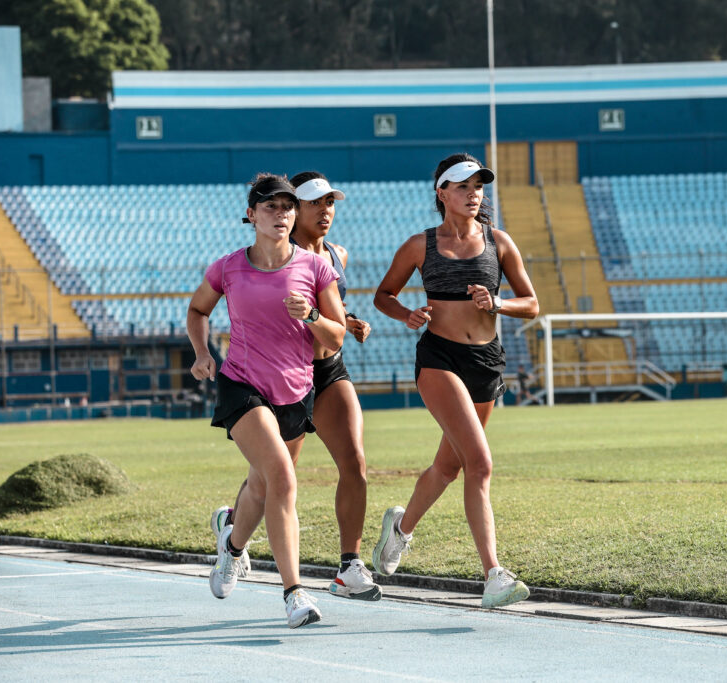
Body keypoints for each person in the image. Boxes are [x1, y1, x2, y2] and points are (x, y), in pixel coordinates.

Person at [371, 152, 539, 608]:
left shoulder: (499, 243)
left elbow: (532, 303)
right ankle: (494, 575)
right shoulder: (418, 245)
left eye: (478, 187)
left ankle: (399, 531)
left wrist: (498, 305)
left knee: (448, 467)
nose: (473, 194)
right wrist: (407, 313)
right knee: (480, 463)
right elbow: (383, 294)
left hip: (486, 362)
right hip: (439, 359)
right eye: (463, 187)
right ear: (441, 192)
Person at [209, 172, 381, 602]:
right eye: (314, 204)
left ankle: (349, 564)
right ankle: (235, 533)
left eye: (330, 203)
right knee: (272, 476)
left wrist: (348, 321)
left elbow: (331, 313)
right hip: (280, 374)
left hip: (328, 369)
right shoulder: (271, 252)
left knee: (355, 462)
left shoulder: (334, 255)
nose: (324, 211)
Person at [188, 173, 345, 628]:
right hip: (241, 385)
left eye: (288, 207)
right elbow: (198, 310)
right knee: (282, 476)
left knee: (261, 484)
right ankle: (295, 593)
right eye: (271, 207)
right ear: (251, 214)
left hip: (295, 392)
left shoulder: (316, 269)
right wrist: (202, 353)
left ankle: (231, 548)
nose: (281, 215)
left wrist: (312, 315)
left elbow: (336, 338)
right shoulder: (229, 267)